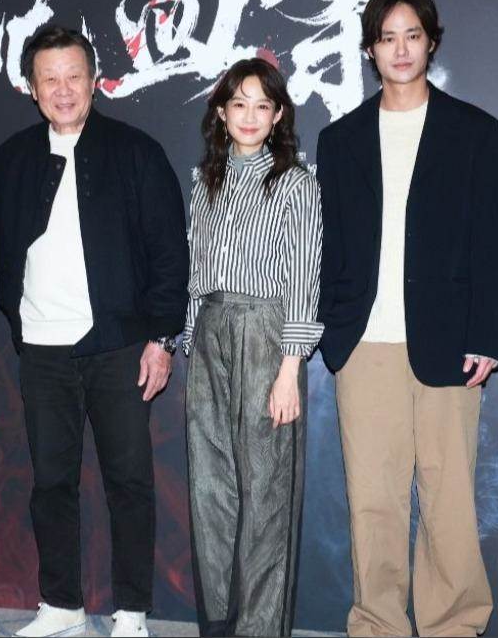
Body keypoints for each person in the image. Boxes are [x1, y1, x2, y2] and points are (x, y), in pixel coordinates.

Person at [316, 0, 498, 637]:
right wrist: (333, 333)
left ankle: (454, 625)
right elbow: (330, 246)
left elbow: (489, 242)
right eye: (387, 38)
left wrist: (487, 335)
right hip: (364, 344)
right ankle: (377, 625)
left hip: (450, 340)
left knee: (448, 498)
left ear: (430, 43)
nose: (400, 50)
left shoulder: (474, 131)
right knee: (373, 501)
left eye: (412, 36)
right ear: (371, 50)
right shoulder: (340, 139)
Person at [0, 25, 189, 638]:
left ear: (94, 80)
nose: (62, 89)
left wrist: (162, 338)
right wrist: (17, 321)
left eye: (73, 76)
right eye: (49, 79)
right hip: (42, 349)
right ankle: (61, 605)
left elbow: (169, 254)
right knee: (51, 483)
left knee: (128, 482)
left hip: (119, 346)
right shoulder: (14, 157)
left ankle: (132, 611)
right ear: (32, 89)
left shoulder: (136, 151)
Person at [183, 57, 322, 637]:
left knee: (266, 492)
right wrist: (192, 338)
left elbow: (305, 278)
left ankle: (260, 629)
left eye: (262, 105)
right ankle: (219, 623)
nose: (249, 115)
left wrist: (290, 369)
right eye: (238, 103)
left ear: (278, 115)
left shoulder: (296, 183)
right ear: (221, 112)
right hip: (209, 333)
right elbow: (195, 270)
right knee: (210, 488)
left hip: (268, 338)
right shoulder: (205, 181)